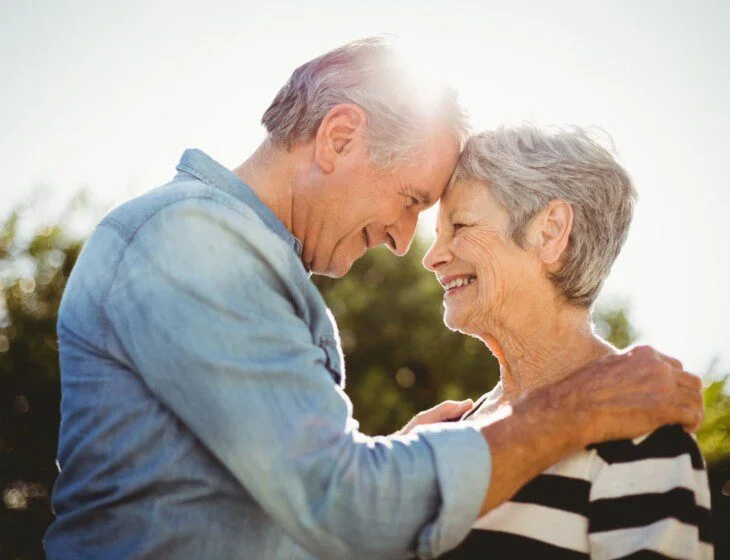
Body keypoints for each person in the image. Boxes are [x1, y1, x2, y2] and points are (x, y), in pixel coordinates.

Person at [44, 38, 703, 560]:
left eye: (452, 224)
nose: (404, 243)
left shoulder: (636, 440)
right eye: (415, 202)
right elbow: (342, 505)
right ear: (337, 138)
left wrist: (392, 462)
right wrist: (573, 412)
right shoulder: (192, 243)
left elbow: (266, 513)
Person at [420, 125, 712, 559]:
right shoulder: (441, 435)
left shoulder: (641, 433)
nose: (432, 256)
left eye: (459, 225)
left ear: (551, 230)